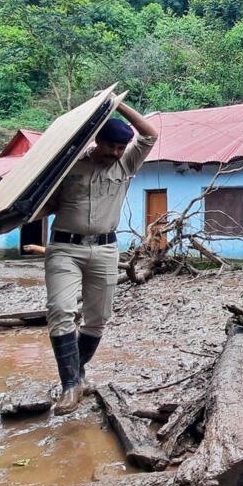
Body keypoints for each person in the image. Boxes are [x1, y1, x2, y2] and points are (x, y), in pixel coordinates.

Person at [42, 102, 158, 414]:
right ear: (97, 142)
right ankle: (70, 385)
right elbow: (44, 201)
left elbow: (150, 135)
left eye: (121, 147)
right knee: (61, 310)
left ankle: (76, 375)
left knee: (97, 318)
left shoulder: (127, 165)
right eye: (110, 146)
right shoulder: (69, 165)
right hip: (65, 248)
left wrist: (118, 105)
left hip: (106, 250)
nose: (116, 153)